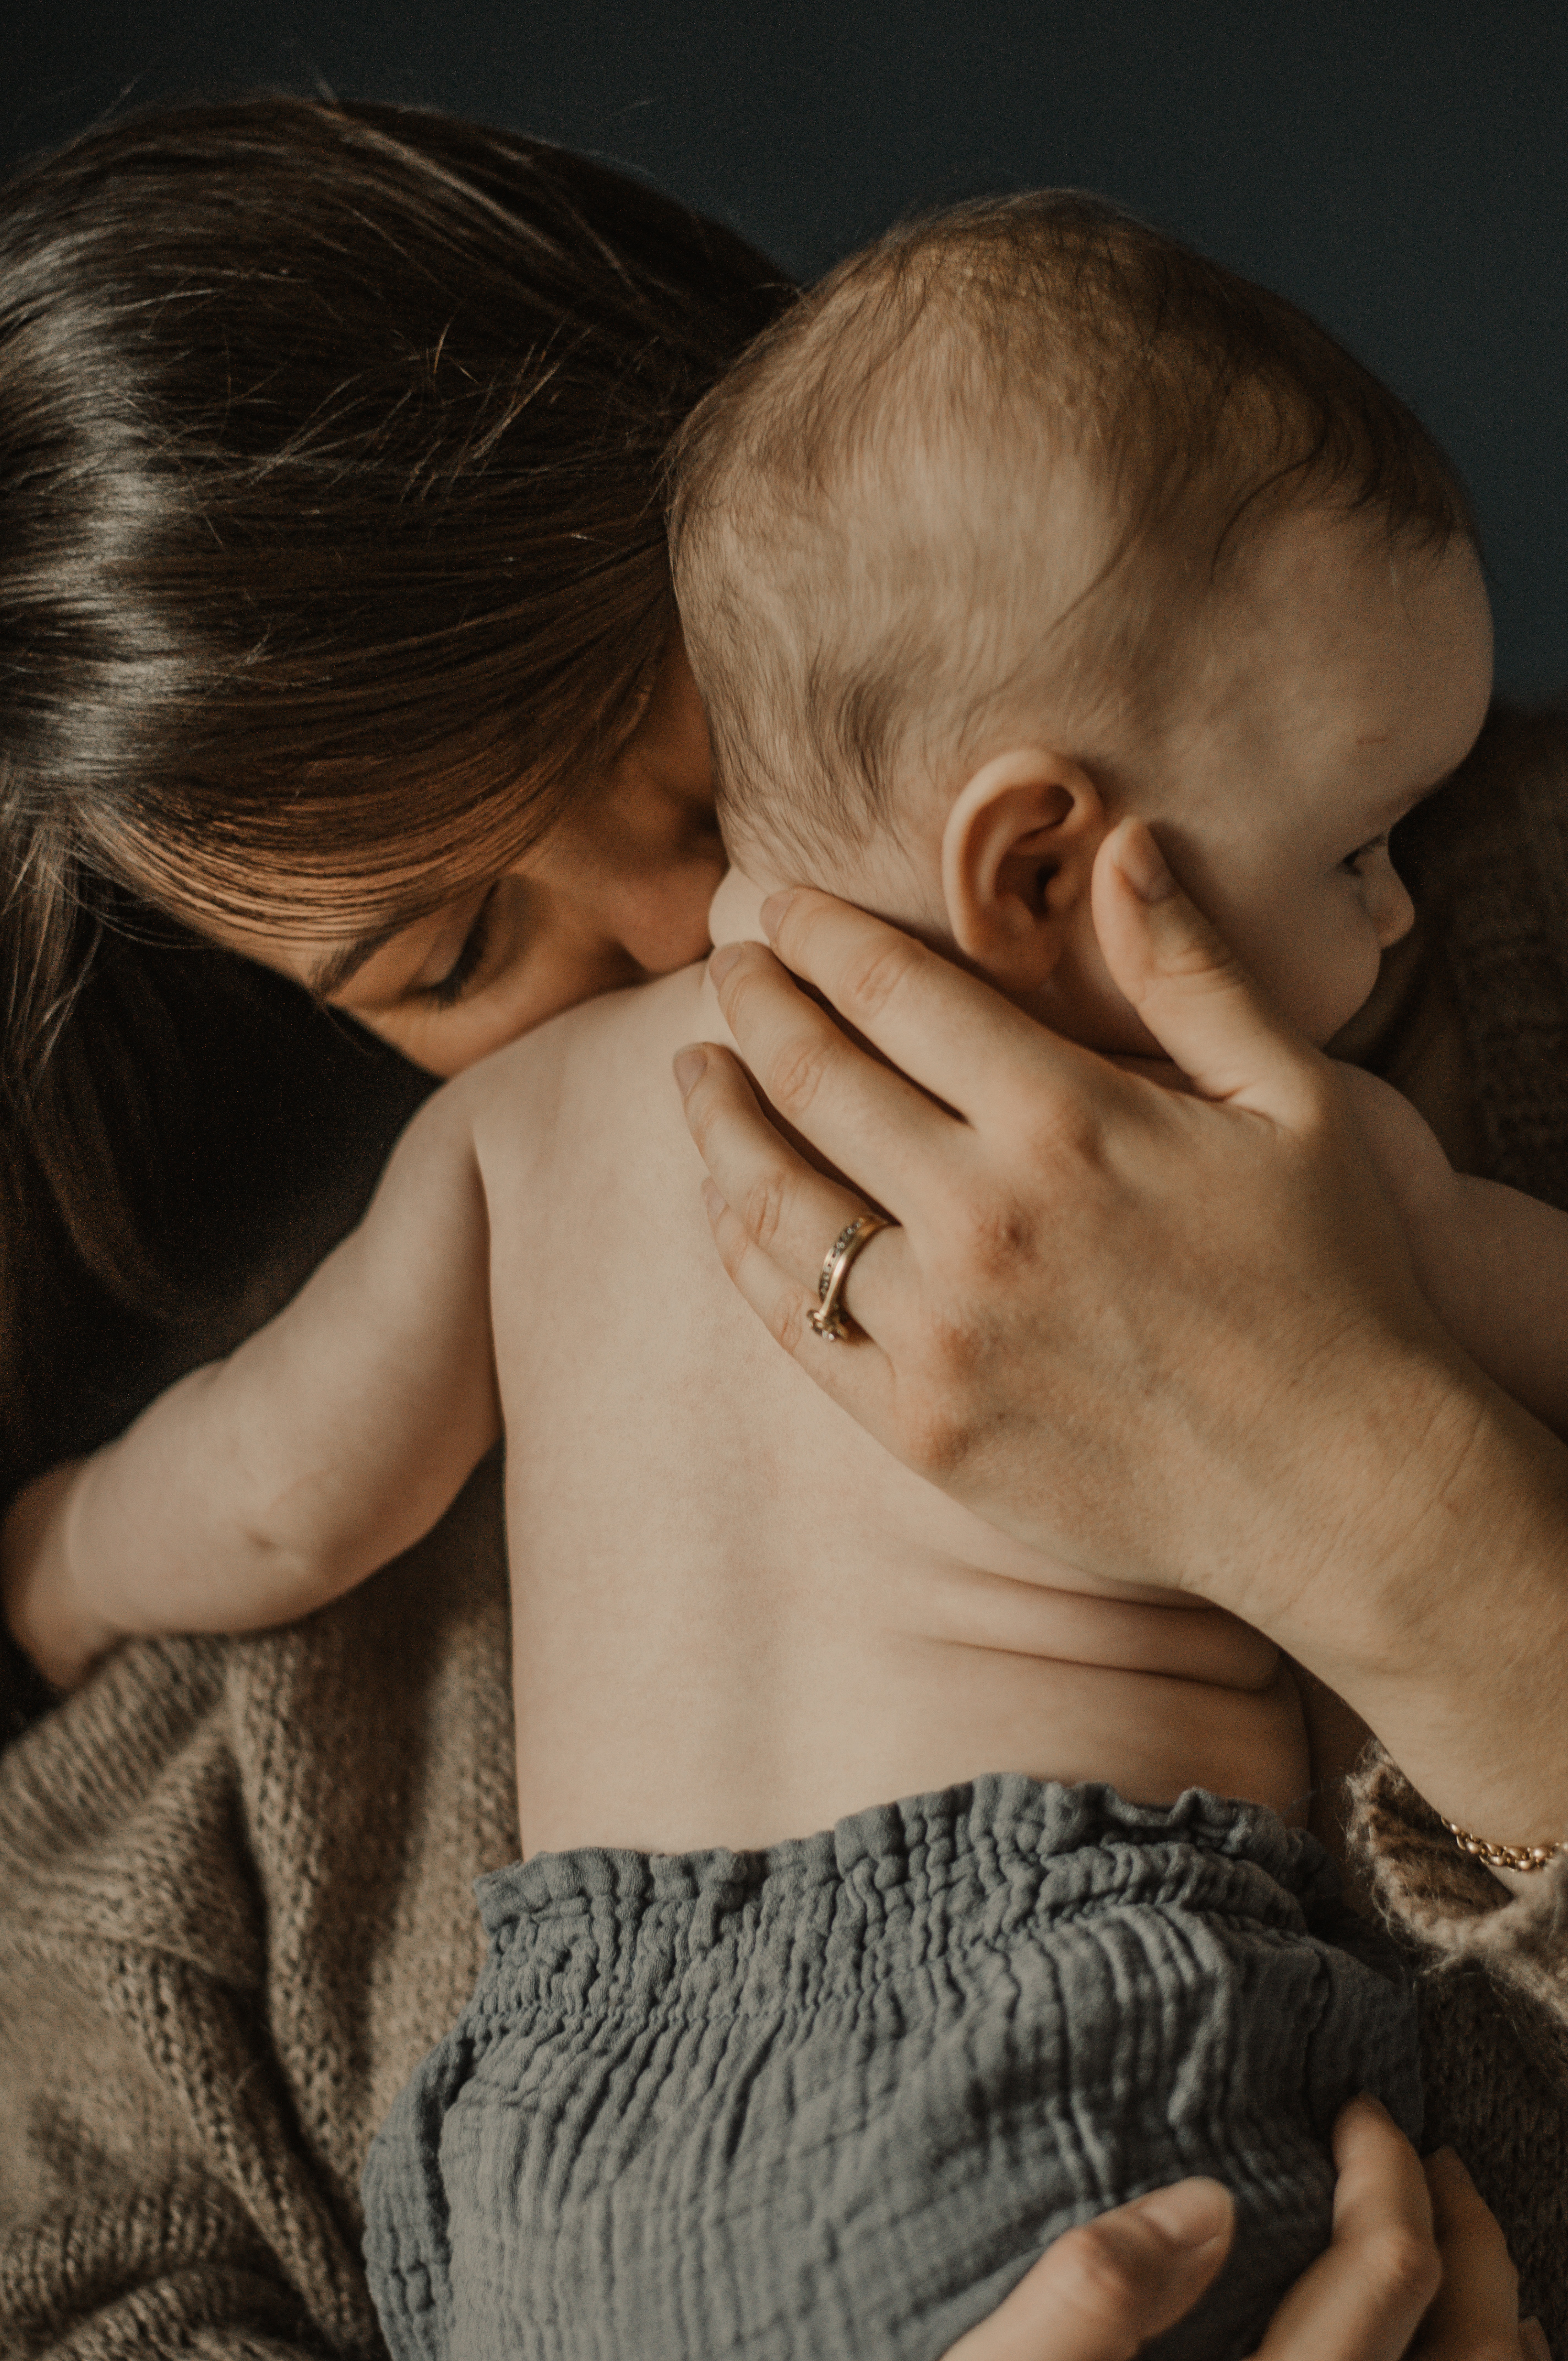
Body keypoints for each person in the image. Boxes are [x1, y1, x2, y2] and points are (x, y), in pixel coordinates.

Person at [0, 100, 1549, 2360]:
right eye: (448, 966)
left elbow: (238, 1494)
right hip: (1057, 2059)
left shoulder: (1456, 925)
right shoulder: (227, 1756)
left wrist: (1416, 1524)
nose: (698, 950)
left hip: (558, 2138)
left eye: (710, 755)